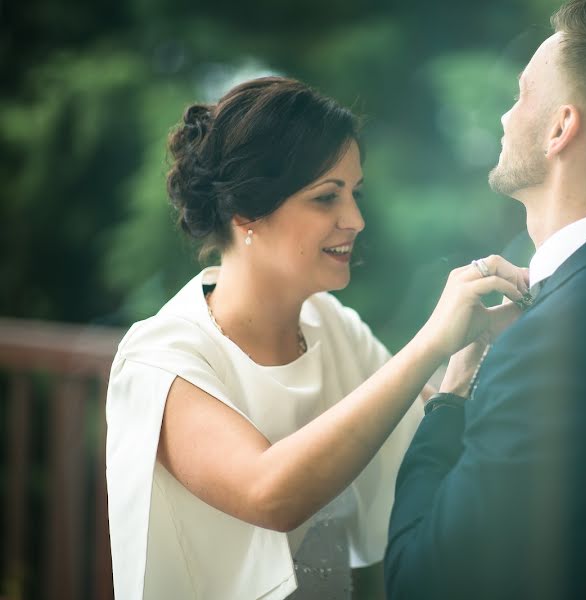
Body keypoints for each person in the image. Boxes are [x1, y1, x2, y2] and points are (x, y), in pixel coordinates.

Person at [105, 76, 528, 600]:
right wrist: (431, 342)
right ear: (245, 212)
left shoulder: (332, 325)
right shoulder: (160, 361)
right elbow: (270, 494)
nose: (355, 219)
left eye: (355, 193)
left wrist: (468, 355)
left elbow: (423, 428)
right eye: (326, 197)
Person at [385, 2, 586, 599]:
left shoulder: (546, 346)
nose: (503, 115)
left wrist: (451, 395)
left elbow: (421, 581)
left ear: (560, 128)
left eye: (521, 94)